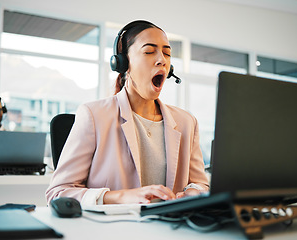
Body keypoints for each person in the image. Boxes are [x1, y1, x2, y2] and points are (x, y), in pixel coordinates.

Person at [46, 20, 209, 205]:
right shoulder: (93, 115)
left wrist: (194, 192)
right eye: (149, 51)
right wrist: (122, 197)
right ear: (123, 63)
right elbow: (58, 192)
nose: (162, 60)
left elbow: (200, 184)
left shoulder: (187, 122)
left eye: (167, 53)